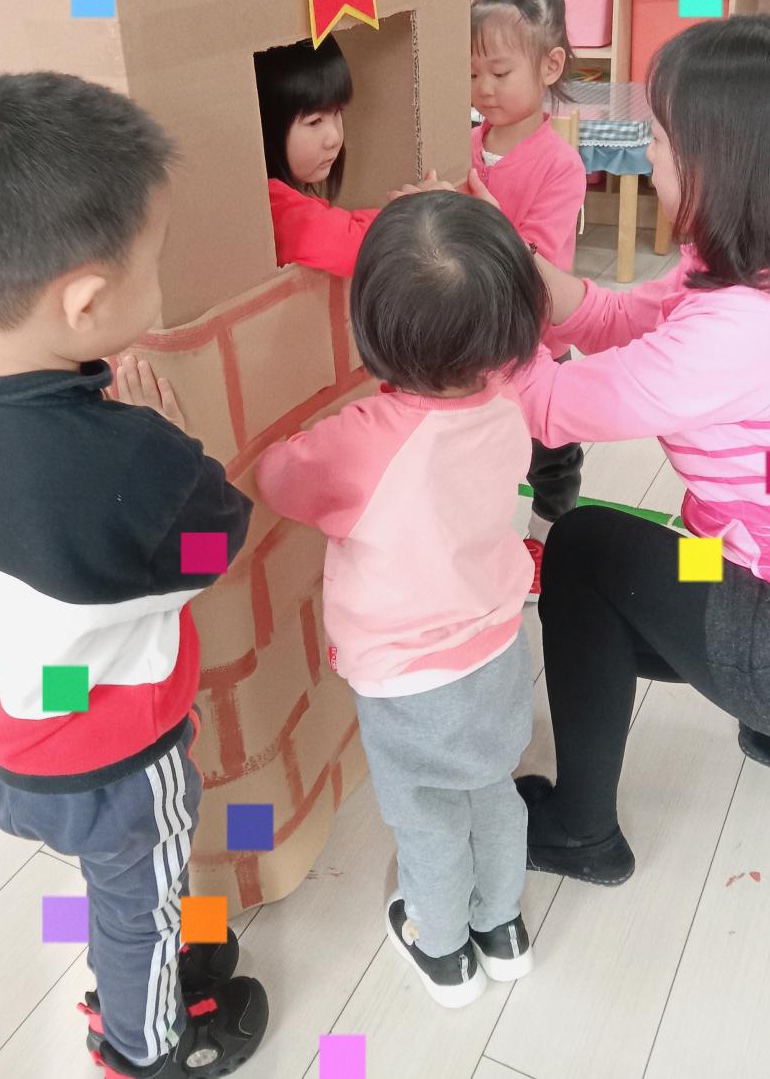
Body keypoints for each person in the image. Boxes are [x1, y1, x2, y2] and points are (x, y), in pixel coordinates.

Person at [0, 73, 269, 1078]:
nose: (161, 282)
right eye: (156, 262)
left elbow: (25, 485)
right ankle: (145, 1044)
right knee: (139, 901)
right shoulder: (132, 463)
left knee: (127, 888)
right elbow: (217, 540)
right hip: (115, 761)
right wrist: (174, 444)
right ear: (89, 302)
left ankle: (147, 964)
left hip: (5, 730)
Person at [486, 14, 770, 887]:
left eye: (660, 140)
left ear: (717, 161)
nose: (647, 155)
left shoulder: (744, 330)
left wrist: (461, 298)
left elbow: (548, 405)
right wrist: (512, 255)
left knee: (585, 550)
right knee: (663, 564)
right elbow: (620, 317)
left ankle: (581, 830)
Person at [256, 192, 547, 1007]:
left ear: (371, 329)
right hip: (496, 646)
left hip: (407, 678)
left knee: (426, 815)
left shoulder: (363, 439)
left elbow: (279, 478)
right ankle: (502, 927)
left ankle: (443, 947)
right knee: (493, 788)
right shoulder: (509, 402)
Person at [470, 0, 588, 595]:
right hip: (475, 341)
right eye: (473, 74)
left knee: (553, 458)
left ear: (550, 66)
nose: (484, 89)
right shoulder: (465, 144)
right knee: (481, 447)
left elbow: (538, 260)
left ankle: (547, 537)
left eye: (499, 71)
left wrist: (483, 216)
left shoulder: (559, 164)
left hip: (539, 342)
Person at [255, 36, 381, 277]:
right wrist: (417, 214)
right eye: (314, 121)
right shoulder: (273, 207)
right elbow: (352, 249)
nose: (334, 137)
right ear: (266, 127)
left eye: (337, 112)